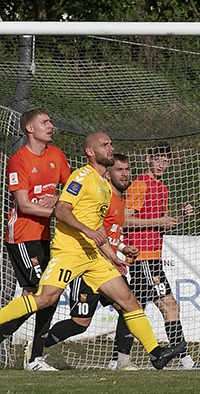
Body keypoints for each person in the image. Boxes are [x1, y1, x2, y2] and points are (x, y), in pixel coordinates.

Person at [0, 133, 183, 369]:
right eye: (105, 145)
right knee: (46, 299)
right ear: (90, 152)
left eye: (110, 144)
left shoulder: (103, 185)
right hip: (69, 252)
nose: (110, 148)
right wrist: (88, 231)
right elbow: (62, 210)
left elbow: (97, 226)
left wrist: (113, 256)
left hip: (94, 256)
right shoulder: (82, 177)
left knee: (129, 301)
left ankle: (156, 353)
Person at [42, 154, 140, 369]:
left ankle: (121, 360)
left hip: (107, 266)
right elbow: (90, 225)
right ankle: (37, 349)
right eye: (119, 170)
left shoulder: (118, 200)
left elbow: (108, 234)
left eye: (127, 169)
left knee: (130, 306)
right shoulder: (99, 193)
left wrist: (121, 249)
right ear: (108, 174)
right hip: (88, 262)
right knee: (80, 323)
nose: (124, 174)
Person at [0, 108, 71, 370]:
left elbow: (73, 189)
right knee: (44, 293)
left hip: (44, 237)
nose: (50, 125)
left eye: (50, 121)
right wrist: (58, 211)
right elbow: (25, 205)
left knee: (38, 295)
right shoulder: (18, 160)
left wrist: (60, 199)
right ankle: (35, 357)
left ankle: (34, 356)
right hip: (21, 236)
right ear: (30, 129)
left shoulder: (56, 155)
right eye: (44, 122)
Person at [124, 142, 195, 368]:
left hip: (154, 255)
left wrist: (181, 218)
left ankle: (119, 359)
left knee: (133, 308)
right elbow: (124, 220)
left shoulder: (162, 188)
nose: (162, 165)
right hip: (142, 256)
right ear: (148, 160)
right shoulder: (139, 185)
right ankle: (183, 357)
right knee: (170, 306)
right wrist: (158, 221)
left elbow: (162, 225)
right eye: (158, 160)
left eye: (166, 161)